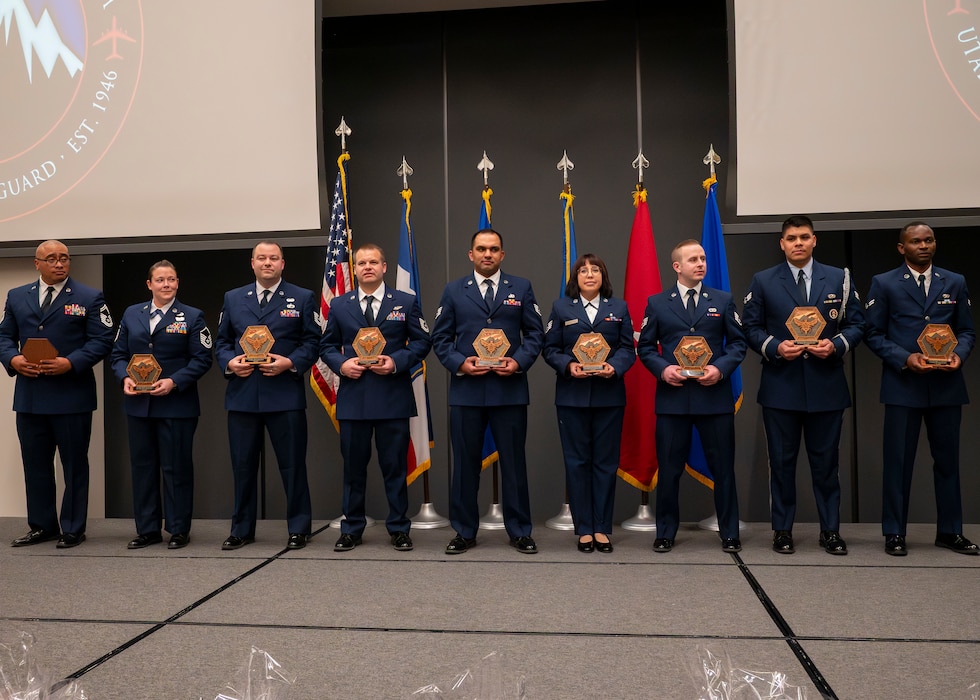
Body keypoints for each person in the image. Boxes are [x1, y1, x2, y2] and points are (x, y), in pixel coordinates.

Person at [741, 215, 864, 555]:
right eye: (791, 237)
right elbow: (749, 328)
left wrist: (837, 345)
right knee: (781, 465)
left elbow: (857, 324)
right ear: (782, 243)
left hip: (827, 386)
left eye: (804, 237)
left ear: (815, 240)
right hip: (781, 386)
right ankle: (782, 531)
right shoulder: (763, 280)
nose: (798, 242)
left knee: (827, 467)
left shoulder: (839, 278)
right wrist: (774, 347)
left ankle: (831, 532)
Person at [864, 222, 977, 556]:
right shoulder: (884, 283)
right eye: (916, 241)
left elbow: (967, 331)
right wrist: (904, 358)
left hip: (946, 386)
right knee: (898, 462)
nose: (923, 246)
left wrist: (958, 354)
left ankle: (950, 531)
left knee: (948, 462)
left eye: (928, 240)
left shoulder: (954, 281)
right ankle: (895, 533)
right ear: (902, 248)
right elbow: (873, 334)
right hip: (904, 385)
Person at [431, 228, 544, 555]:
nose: (487, 254)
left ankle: (520, 530)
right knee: (465, 465)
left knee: (514, 464)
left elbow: (535, 335)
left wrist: (519, 362)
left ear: (502, 255)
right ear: (471, 254)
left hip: (508, 390)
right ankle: (464, 531)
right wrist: (460, 364)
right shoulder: (454, 291)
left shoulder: (520, 288)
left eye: (494, 249)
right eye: (481, 249)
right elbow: (440, 339)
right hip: (467, 391)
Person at [0, 240, 114, 548]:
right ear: (37, 264)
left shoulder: (89, 297)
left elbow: (102, 340)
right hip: (31, 395)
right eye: (51, 259)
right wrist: (12, 359)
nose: (59, 263)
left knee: (74, 465)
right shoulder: (17, 296)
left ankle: (73, 528)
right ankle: (42, 526)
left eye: (64, 258)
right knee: (35, 464)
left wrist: (70, 362)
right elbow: (4, 336)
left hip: (71, 395)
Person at [319, 243, 432, 553]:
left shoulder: (406, 302)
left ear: (384, 267)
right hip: (354, 398)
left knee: (395, 466)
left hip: (392, 396)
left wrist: (396, 362)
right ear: (354, 269)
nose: (367, 267)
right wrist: (341, 364)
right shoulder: (340, 305)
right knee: (353, 468)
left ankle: (398, 528)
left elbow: (422, 342)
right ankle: (351, 528)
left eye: (373, 262)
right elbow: (326, 346)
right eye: (361, 263)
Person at [638, 239, 746, 553]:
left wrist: (721, 369)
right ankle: (666, 532)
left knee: (724, 468)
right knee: (669, 471)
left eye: (702, 258)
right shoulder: (657, 303)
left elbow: (738, 344)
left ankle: (729, 531)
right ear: (677, 267)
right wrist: (662, 370)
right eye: (693, 260)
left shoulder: (723, 300)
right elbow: (645, 348)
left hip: (714, 398)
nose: (700, 264)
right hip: (673, 400)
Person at [215, 241, 318, 550]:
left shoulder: (302, 297)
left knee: (293, 465)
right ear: (252, 263)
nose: (268, 263)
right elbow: (221, 343)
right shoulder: (233, 299)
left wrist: (291, 363)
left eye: (274, 258)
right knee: (243, 466)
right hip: (243, 395)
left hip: (284, 394)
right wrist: (230, 364)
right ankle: (241, 529)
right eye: (262, 258)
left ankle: (299, 528)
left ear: (282, 263)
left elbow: (313, 342)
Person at [109, 260, 213, 550]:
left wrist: (174, 382)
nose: (166, 285)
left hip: (176, 406)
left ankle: (179, 529)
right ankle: (147, 529)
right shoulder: (132, 314)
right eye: (160, 280)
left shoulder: (192, 316)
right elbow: (117, 355)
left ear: (178, 283)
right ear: (149, 284)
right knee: (142, 468)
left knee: (176, 468)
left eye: (171, 280)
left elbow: (203, 359)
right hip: (139, 405)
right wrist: (123, 379)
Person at [543, 253, 635, 553]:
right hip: (572, 396)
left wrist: (615, 367)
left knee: (606, 463)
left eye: (596, 269)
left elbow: (627, 349)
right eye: (583, 270)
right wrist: (568, 365)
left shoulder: (618, 307)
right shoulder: (561, 307)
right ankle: (583, 528)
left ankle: (602, 528)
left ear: (603, 276)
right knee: (577, 462)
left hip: (609, 395)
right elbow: (550, 348)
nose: (589, 274)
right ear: (576, 278)